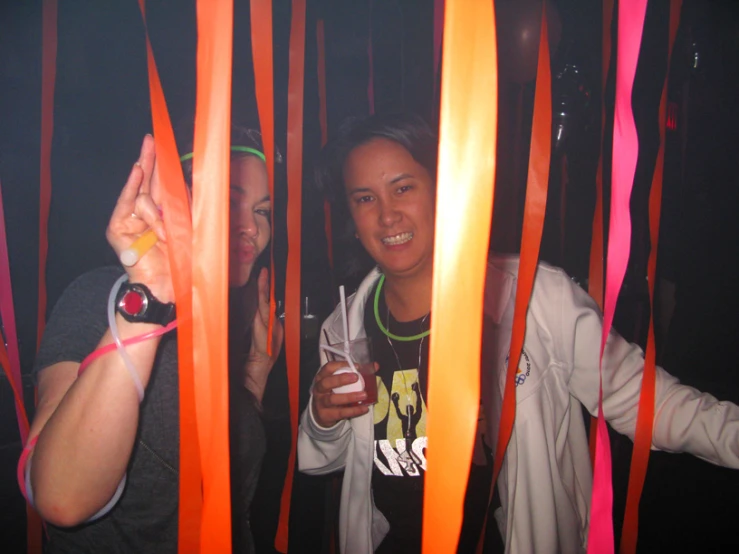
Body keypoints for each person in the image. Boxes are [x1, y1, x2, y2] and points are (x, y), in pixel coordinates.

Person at [296, 112, 739, 554]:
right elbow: (328, 461)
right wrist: (322, 418)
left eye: (403, 188)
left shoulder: (535, 300)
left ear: (442, 189)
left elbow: (648, 403)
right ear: (352, 218)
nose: (387, 215)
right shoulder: (344, 326)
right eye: (365, 199)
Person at [21, 124, 284, 553]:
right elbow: (60, 498)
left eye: (263, 211)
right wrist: (149, 295)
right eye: (232, 202)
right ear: (176, 202)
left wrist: (254, 372)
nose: (252, 228)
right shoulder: (105, 296)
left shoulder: (224, 320)